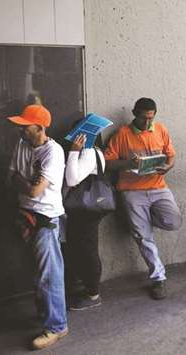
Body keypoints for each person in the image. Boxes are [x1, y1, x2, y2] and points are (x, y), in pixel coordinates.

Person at [104, 97, 182, 300]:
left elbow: (170, 155)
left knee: (173, 221)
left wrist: (168, 166)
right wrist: (127, 163)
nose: (148, 123)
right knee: (143, 237)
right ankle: (158, 278)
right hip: (132, 191)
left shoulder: (160, 129)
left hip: (158, 187)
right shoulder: (122, 134)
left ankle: (143, 223)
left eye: (151, 118)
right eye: (144, 118)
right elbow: (107, 163)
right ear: (134, 113)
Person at [6, 105, 68, 349]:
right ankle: (47, 316)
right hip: (26, 215)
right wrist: (26, 183)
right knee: (37, 272)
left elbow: (35, 190)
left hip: (46, 218)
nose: (20, 128)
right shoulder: (21, 145)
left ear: (40, 127)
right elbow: (9, 180)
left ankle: (57, 327)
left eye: (25, 125)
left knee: (49, 274)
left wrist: (25, 183)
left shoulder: (53, 152)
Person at [63, 130, 107, 311]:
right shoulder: (93, 151)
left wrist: (74, 151)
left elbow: (72, 179)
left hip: (85, 210)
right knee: (81, 248)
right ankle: (87, 289)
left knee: (87, 250)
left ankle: (93, 294)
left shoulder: (89, 152)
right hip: (84, 209)